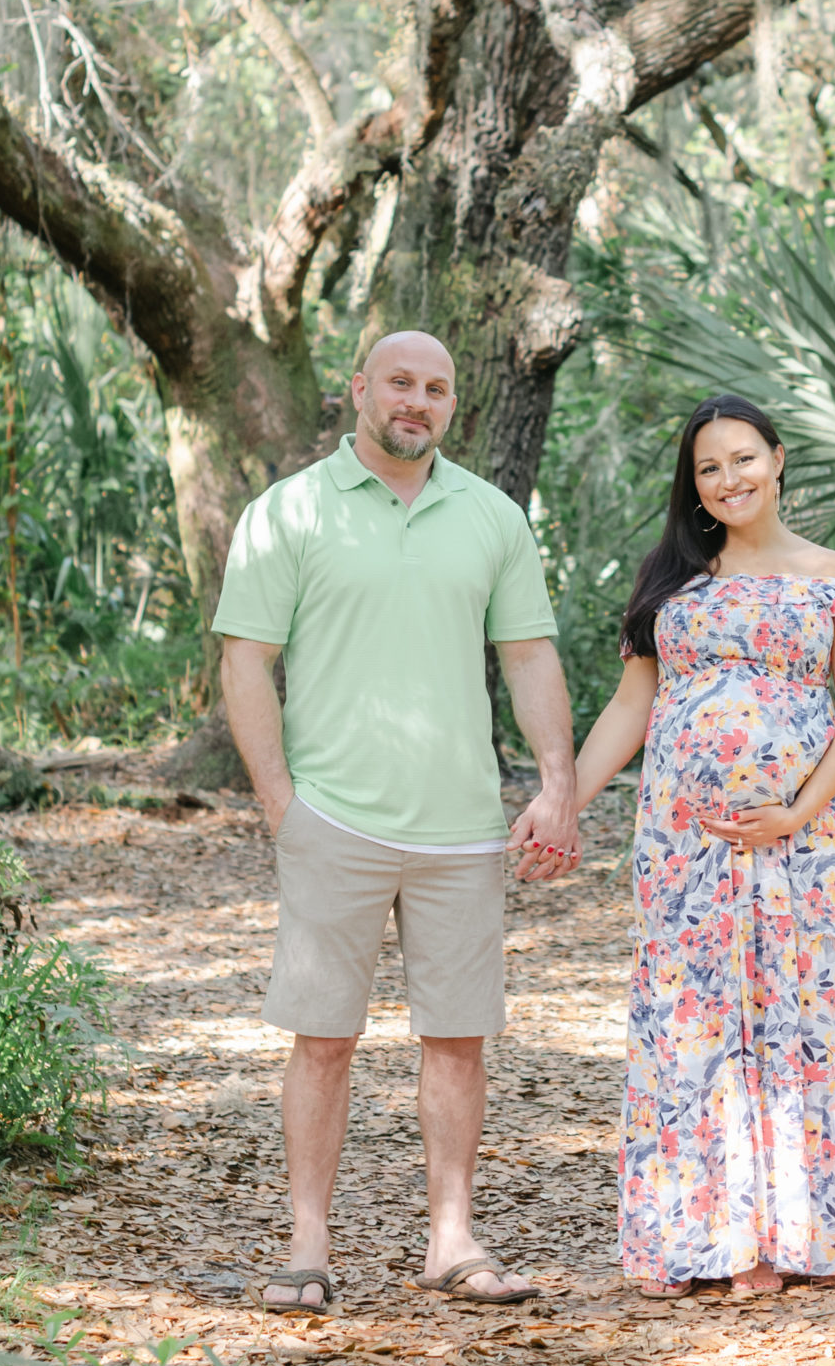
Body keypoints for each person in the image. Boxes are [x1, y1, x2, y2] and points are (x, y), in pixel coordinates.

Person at [214, 329, 581, 1312]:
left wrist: (556, 782)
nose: (416, 401)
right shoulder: (287, 511)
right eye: (400, 383)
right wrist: (280, 802)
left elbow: (529, 656)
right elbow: (244, 659)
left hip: (462, 828)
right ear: (360, 389)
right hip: (333, 820)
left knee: (457, 1038)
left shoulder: (491, 515)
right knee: (321, 1036)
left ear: (452, 402)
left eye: (436, 387)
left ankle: (451, 1239)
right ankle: (306, 1242)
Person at [573, 393, 835, 1299]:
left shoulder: (832, 572)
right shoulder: (672, 578)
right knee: (693, 1024)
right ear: (695, 484)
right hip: (684, 847)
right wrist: (563, 802)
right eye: (709, 468)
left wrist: (797, 808)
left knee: (799, 1016)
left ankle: (796, 1237)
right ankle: (698, 1237)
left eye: (743, 458)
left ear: (779, 459)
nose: (728, 479)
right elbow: (631, 707)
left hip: (803, 839)